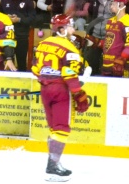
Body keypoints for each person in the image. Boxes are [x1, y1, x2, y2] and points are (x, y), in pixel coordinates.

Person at [31, 14, 89, 181]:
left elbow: (36, 69)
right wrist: (79, 94)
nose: (73, 29)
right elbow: (69, 73)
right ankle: (52, 166)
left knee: (53, 128)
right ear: (62, 29)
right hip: (61, 90)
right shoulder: (70, 48)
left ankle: (54, 162)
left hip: (45, 89)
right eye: (70, 26)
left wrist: (47, 79)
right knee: (61, 128)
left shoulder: (42, 44)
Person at [0, 0, 38, 71]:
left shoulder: (28, 2)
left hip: (22, 36)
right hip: (7, 36)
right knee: (7, 62)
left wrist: (19, 20)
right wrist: (6, 18)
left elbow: (32, 19)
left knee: (21, 62)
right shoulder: (5, 0)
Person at [101, 0, 129, 77]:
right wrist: (99, 43)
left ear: (121, 4)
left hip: (120, 65)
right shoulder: (110, 21)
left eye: (113, 4)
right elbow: (110, 42)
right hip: (107, 64)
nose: (111, 6)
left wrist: (122, 58)